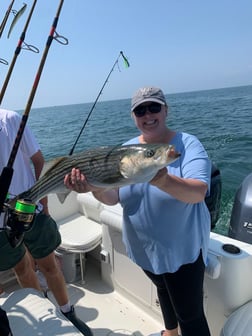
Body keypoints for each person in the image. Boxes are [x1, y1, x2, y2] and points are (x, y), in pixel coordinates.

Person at [64, 87, 212, 336]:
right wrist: (93, 188)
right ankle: (171, 332)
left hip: (182, 251)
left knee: (191, 315)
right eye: (140, 110)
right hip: (144, 249)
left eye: (154, 107)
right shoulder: (126, 151)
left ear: (166, 110)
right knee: (163, 289)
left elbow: (198, 193)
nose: (148, 114)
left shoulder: (187, 144)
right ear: (133, 116)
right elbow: (112, 197)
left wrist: (164, 181)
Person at [0, 108, 92, 336]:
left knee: (49, 265)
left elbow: (39, 162)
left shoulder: (10, 119)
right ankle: (43, 310)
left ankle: (67, 310)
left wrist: (45, 205)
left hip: (31, 209)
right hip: (1, 221)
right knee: (22, 267)